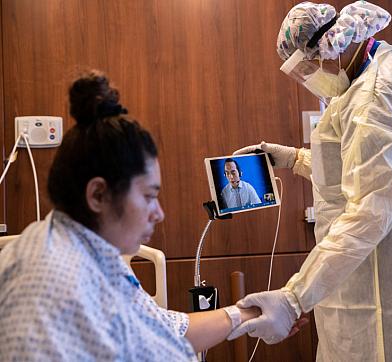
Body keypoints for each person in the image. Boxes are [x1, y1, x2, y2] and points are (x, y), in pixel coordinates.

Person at [229, 1, 392, 361]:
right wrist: (293, 159)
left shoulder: (376, 96)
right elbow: (360, 170)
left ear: (326, 48)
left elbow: (371, 208)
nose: (307, 78)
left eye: (305, 67)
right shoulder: (368, 71)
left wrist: (294, 298)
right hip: (384, 241)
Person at [0, 71, 261, 361]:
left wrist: (244, 314)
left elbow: (162, 329)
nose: (159, 213)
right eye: (149, 196)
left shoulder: (88, 251)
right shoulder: (50, 292)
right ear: (98, 195)